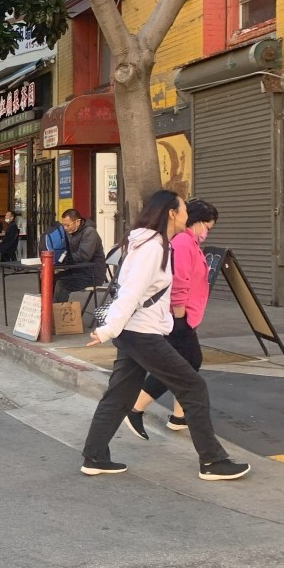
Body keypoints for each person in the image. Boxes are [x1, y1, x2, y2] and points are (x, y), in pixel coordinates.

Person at [80, 190, 250, 481]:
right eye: (184, 209)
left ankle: (94, 456)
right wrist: (107, 329)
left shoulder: (145, 242)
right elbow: (131, 292)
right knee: (193, 387)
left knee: (119, 394)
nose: (188, 214)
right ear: (172, 214)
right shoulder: (153, 247)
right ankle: (212, 461)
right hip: (142, 333)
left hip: (135, 331)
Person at [125, 199, 220, 440]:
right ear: (195, 222)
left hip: (186, 315)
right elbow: (179, 280)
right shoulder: (184, 243)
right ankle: (135, 407)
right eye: (207, 227)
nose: (207, 233)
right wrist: (180, 314)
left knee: (186, 364)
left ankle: (179, 416)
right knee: (181, 365)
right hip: (180, 316)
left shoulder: (188, 242)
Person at [53, 209, 105, 303]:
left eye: (67, 225)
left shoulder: (90, 232)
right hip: (77, 270)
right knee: (50, 278)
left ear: (77, 221)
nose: (65, 228)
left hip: (92, 274)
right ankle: (50, 310)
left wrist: (66, 260)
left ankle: (59, 314)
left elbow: (84, 256)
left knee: (62, 283)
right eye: (63, 225)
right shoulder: (69, 232)